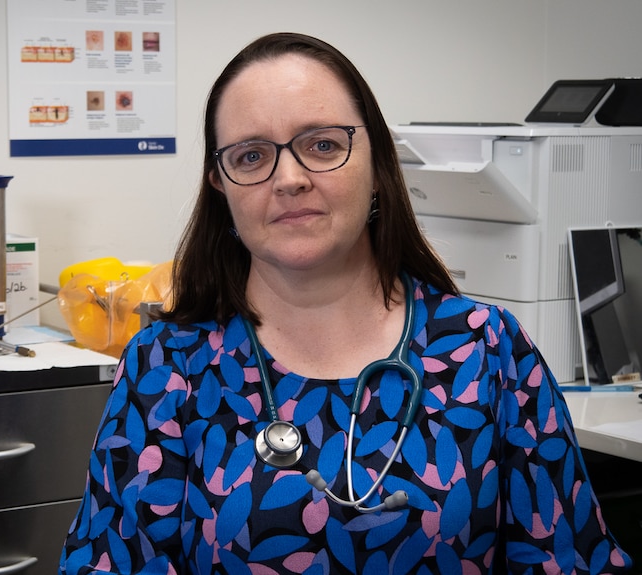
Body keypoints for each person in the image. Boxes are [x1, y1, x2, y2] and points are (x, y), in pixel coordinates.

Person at [60, 32, 633, 574]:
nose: (289, 178)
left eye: (323, 145)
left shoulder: (490, 353)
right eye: (252, 156)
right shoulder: (167, 368)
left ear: (378, 163)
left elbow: (568, 557)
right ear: (221, 183)